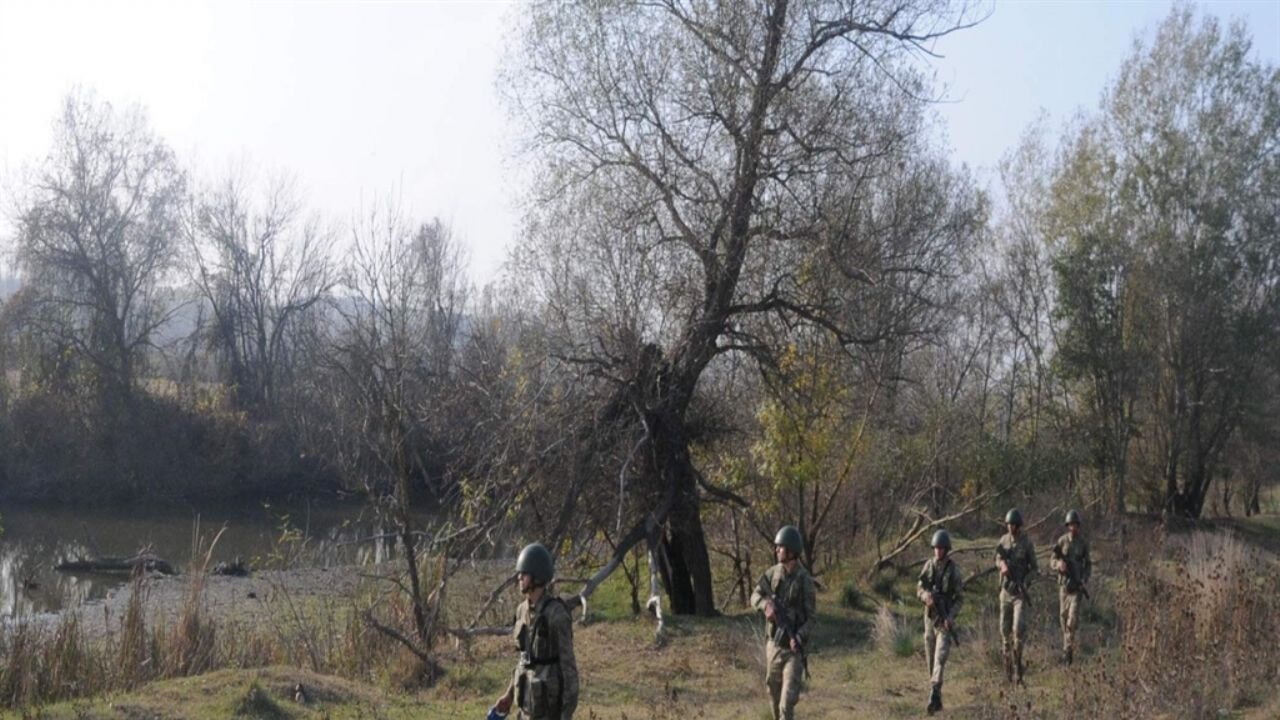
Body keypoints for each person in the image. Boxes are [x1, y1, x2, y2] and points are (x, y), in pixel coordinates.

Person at [492, 543, 579, 720]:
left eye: (523, 574)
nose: (519, 578)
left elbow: (569, 668)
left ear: (537, 577)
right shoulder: (521, 611)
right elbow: (524, 659)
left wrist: (566, 714)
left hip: (549, 712)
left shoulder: (557, 614)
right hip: (525, 709)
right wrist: (509, 695)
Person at [750, 525, 816, 720]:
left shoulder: (805, 581)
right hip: (774, 646)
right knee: (773, 694)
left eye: (781, 547)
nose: (777, 550)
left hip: (794, 650)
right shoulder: (772, 573)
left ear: (792, 551)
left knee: (786, 704)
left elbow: (812, 618)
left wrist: (799, 636)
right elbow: (755, 595)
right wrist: (764, 606)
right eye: (777, 547)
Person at [917, 529, 963, 715]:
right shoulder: (928, 566)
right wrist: (925, 596)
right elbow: (918, 587)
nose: (938, 551)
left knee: (940, 657)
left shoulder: (953, 570)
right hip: (930, 618)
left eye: (941, 548)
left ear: (946, 549)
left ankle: (934, 692)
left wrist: (951, 616)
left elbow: (960, 598)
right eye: (935, 548)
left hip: (944, 621)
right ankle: (936, 696)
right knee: (930, 659)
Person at [995, 508, 1037, 685]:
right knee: (1005, 633)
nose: (1011, 527)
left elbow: (1034, 568)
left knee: (1018, 631)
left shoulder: (1027, 543)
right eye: (1009, 524)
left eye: (1014, 524)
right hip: (1005, 592)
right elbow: (996, 558)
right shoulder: (1003, 541)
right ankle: (1007, 671)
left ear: (1019, 526)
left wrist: (1025, 583)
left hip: (1020, 593)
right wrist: (1001, 565)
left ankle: (1018, 668)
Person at [1053, 509, 1092, 665]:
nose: (1073, 528)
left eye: (1075, 525)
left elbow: (1088, 564)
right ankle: (1066, 647)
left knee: (1072, 620)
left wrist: (1084, 579)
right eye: (1070, 525)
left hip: (1076, 588)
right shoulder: (1062, 541)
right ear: (1067, 526)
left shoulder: (1083, 543)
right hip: (1063, 587)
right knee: (1063, 619)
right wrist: (1058, 565)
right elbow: (1052, 559)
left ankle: (1067, 652)